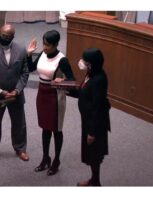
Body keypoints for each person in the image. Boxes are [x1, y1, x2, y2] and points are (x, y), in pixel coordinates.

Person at [27, 30, 75, 176]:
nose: (45, 47)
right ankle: (45, 158)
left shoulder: (62, 60)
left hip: (55, 96)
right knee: (45, 128)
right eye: (44, 44)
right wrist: (29, 54)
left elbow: (72, 81)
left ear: (55, 45)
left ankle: (56, 160)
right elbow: (30, 69)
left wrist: (63, 80)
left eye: (48, 45)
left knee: (56, 129)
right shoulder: (42, 54)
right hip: (42, 94)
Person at [0, 24, 29, 164]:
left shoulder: (20, 50)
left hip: (16, 94)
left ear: (13, 37)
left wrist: (17, 90)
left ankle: (20, 149)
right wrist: (0, 91)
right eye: (3, 35)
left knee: (19, 123)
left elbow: (25, 72)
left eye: (8, 37)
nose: (5, 38)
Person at [67, 48, 111, 186]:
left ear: (91, 64)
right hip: (87, 120)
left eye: (85, 61)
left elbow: (97, 108)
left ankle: (96, 183)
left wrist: (92, 132)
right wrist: (64, 88)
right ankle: (94, 179)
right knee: (91, 154)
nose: (82, 63)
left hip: (95, 124)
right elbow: (83, 93)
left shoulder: (99, 79)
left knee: (94, 154)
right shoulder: (91, 74)